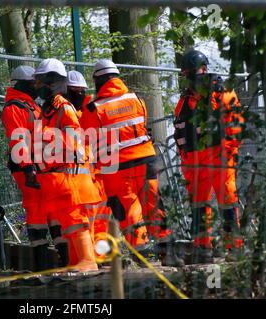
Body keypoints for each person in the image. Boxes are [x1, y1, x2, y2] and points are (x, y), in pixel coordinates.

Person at [80, 59, 184, 267]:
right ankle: (168, 252)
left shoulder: (94, 109)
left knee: (128, 210)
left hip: (118, 168)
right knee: (154, 204)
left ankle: (143, 256)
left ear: (98, 80)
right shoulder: (137, 99)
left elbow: (86, 138)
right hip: (147, 161)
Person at [173, 49, 245, 263]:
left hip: (219, 158)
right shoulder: (184, 102)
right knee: (198, 205)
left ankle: (234, 248)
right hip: (195, 162)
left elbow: (236, 126)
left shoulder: (224, 94)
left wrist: (228, 153)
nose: (190, 78)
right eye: (187, 74)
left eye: (191, 73)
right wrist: (186, 162)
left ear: (203, 69)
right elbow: (179, 133)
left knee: (227, 201)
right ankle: (202, 249)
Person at [34, 58, 100, 272]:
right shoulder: (48, 111)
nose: (38, 85)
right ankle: (76, 262)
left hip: (70, 175)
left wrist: (45, 136)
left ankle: (87, 261)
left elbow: (74, 140)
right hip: (57, 177)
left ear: (53, 82)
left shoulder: (64, 108)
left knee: (75, 218)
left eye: (41, 80)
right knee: (67, 222)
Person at [0, 65, 68, 270]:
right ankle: (41, 264)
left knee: (52, 211)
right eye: (33, 83)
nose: (37, 87)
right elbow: (18, 141)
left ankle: (62, 260)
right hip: (27, 169)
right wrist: (28, 169)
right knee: (37, 211)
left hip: (40, 168)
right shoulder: (15, 107)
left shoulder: (31, 106)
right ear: (22, 85)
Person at [66, 70, 111, 258]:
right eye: (75, 90)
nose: (79, 93)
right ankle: (89, 259)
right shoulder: (70, 112)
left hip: (98, 175)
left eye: (81, 90)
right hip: (86, 177)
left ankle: (101, 258)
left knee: (101, 220)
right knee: (88, 220)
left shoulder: (91, 111)